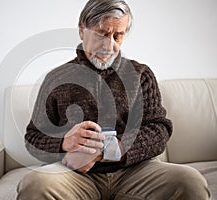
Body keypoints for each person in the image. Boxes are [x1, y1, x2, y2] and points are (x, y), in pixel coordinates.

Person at [17, 0, 210, 199]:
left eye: (118, 36)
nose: (109, 45)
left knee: (191, 181)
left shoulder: (141, 74)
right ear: (82, 30)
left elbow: (159, 130)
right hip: (75, 176)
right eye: (102, 34)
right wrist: (64, 143)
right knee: (35, 184)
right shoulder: (55, 79)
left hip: (135, 172)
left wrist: (108, 151)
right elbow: (33, 138)